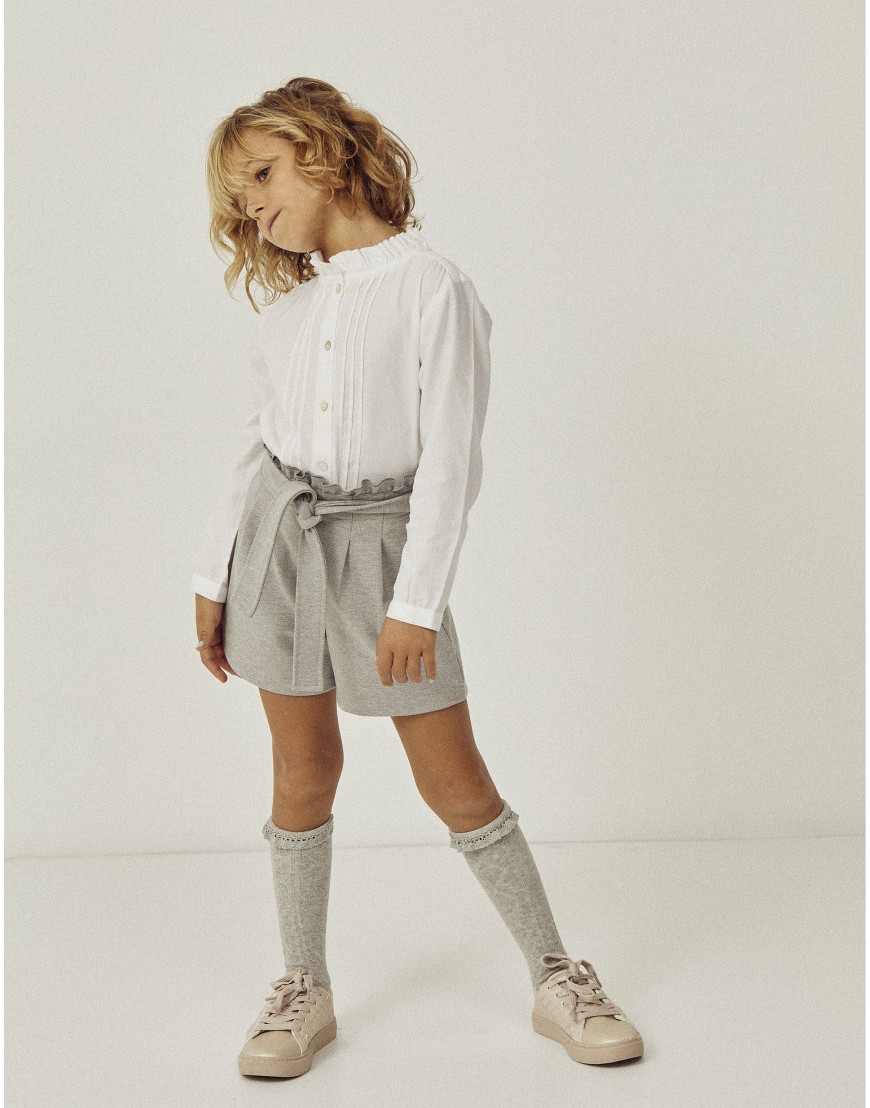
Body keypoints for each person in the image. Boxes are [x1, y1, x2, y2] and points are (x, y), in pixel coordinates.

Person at [191, 76, 644, 1079]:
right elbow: (257, 448)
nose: (250, 206)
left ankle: (557, 975)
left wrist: (415, 602)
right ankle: (303, 984)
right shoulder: (288, 314)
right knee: (301, 772)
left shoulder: (434, 287)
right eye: (237, 196)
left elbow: (451, 460)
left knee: (454, 778)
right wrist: (212, 574)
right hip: (276, 548)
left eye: (261, 174)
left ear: (326, 152)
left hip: (385, 551)